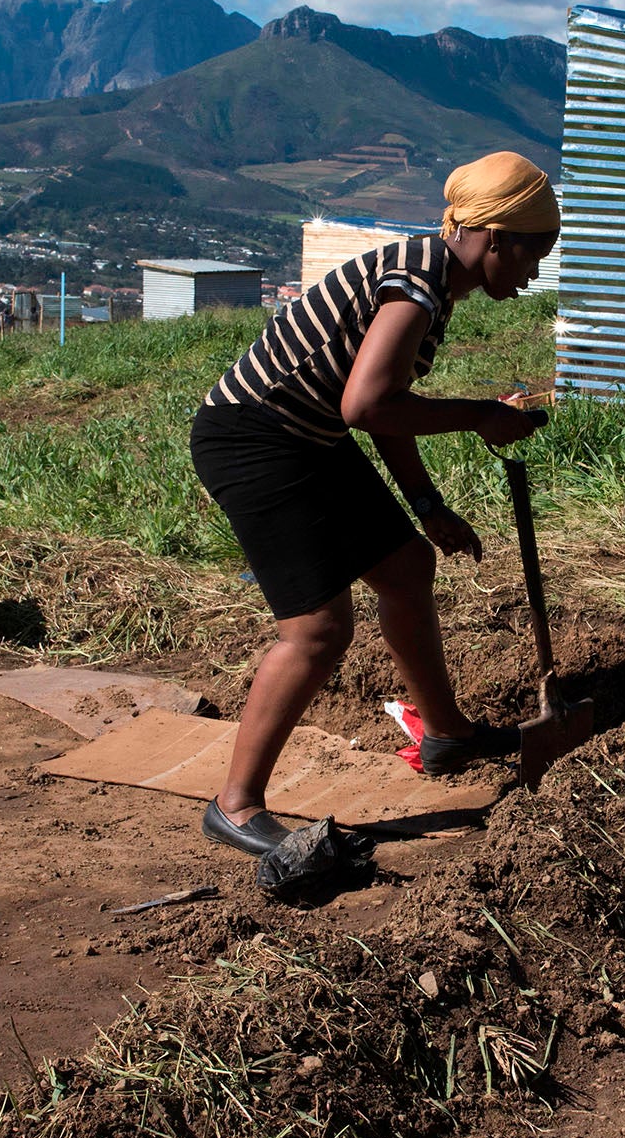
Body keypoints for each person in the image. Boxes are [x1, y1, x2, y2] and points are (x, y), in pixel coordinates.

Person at [189, 150, 562, 856]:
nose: (534, 272)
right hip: (255, 438)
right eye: (532, 254)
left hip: (305, 434)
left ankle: (447, 733)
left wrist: (425, 504)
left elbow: (381, 407)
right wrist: (480, 414)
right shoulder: (416, 284)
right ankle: (235, 806)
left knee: (404, 566)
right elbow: (366, 405)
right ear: (491, 237)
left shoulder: (431, 281)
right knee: (319, 631)